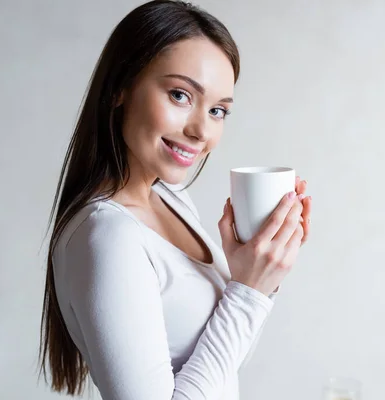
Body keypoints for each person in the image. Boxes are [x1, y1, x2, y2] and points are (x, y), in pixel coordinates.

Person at [38, 1, 312, 399]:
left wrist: (259, 275)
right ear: (121, 88)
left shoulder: (171, 198)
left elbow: (224, 365)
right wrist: (249, 291)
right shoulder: (108, 235)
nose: (202, 130)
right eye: (181, 95)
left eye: (218, 110)